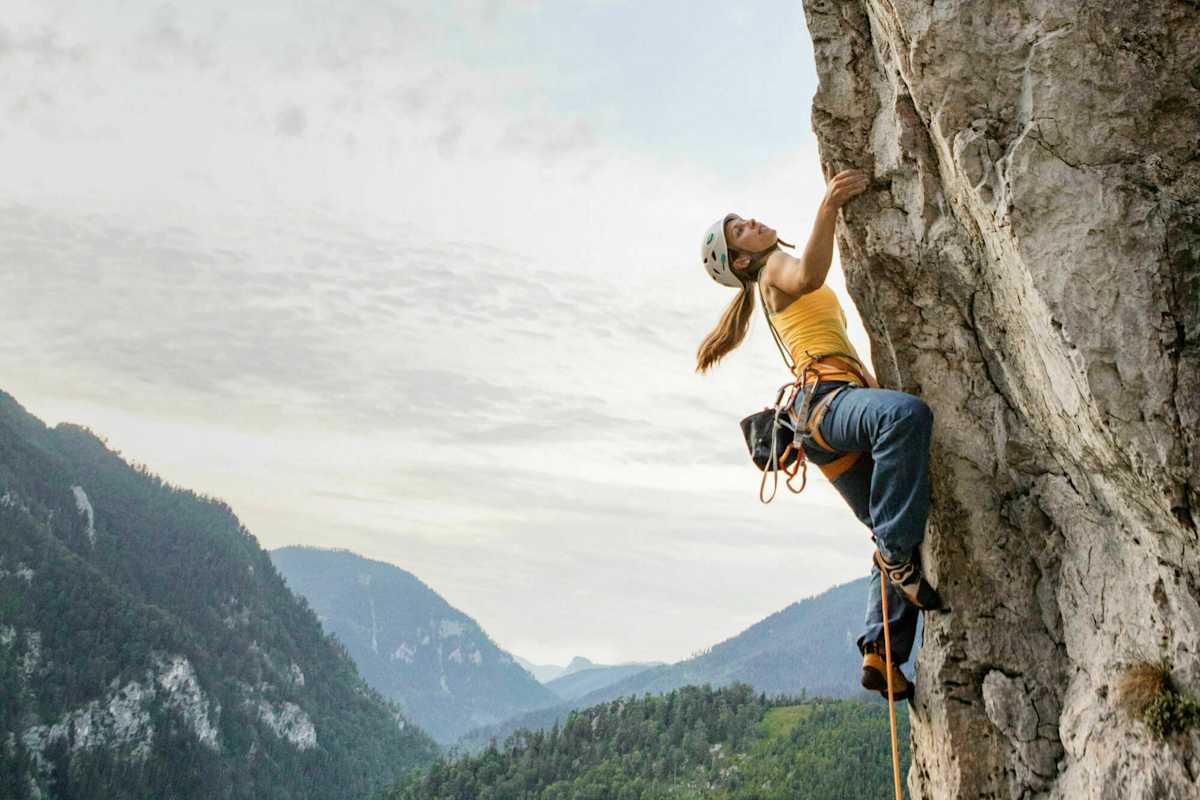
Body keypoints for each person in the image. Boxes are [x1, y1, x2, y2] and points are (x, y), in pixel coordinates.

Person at [695, 162, 942, 702]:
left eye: (745, 219)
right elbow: (809, 273)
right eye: (741, 229)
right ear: (742, 258)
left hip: (821, 419)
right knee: (907, 418)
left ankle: (882, 651)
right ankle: (900, 561)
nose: (752, 222)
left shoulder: (764, 282)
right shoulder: (772, 269)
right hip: (826, 404)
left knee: (889, 520)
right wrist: (828, 206)